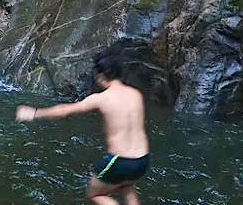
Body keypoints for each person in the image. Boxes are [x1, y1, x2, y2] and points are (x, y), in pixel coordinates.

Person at [15, 54, 150, 205]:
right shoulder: (136, 94)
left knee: (95, 194)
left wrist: (35, 113)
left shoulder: (102, 98)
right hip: (142, 160)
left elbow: (66, 110)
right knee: (127, 186)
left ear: (101, 76)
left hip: (120, 161)